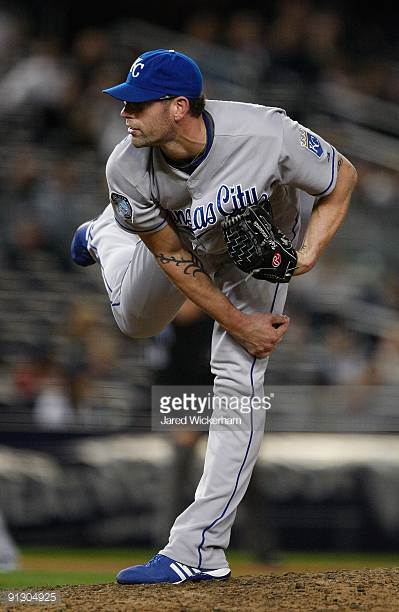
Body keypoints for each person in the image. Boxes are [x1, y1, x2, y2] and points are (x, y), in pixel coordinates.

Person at [70, 49, 357, 584]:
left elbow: (341, 179)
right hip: (181, 243)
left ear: (179, 107)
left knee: (242, 374)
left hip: (259, 249)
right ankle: (106, 232)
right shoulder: (127, 164)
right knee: (135, 322)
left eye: (137, 104)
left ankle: (197, 548)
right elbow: (173, 260)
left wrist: (309, 254)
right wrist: (236, 318)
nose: (124, 113)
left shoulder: (267, 134)